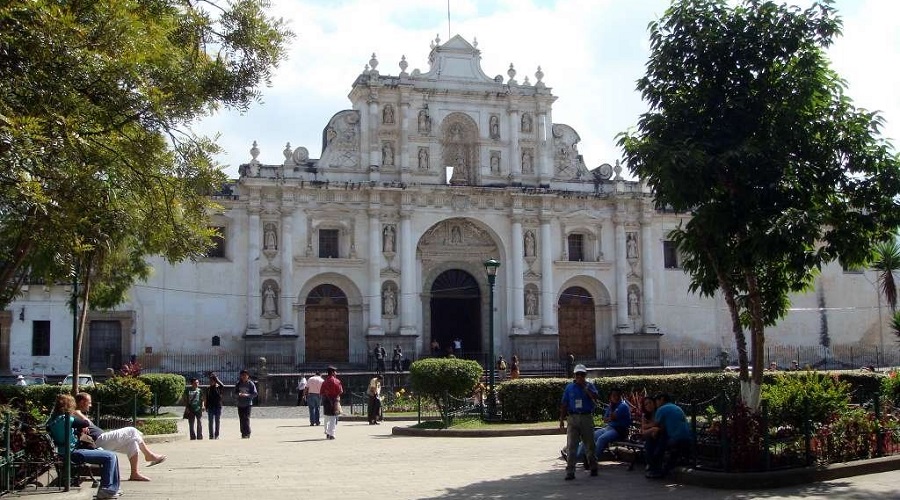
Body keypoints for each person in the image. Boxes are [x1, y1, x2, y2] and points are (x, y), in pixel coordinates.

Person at [72, 392, 166, 482]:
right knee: (131, 430)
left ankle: (134, 473)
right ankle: (149, 455)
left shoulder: (79, 414)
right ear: (81, 402)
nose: (90, 405)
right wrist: (82, 421)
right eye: (89, 402)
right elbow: (86, 422)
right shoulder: (76, 412)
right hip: (98, 440)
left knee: (132, 444)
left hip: (99, 440)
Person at [48, 394, 122, 499]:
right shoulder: (67, 418)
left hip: (63, 452)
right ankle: (106, 489)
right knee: (110, 457)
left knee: (111, 456)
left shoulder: (53, 420)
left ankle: (111, 489)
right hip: (72, 453)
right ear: (70, 405)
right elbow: (85, 423)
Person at [572, 387, 631, 465]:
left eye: (617, 395)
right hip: (609, 428)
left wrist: (610, 418)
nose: (616, 397)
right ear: (610, 397)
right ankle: (575, 456)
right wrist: (610, 418)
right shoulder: (611, 406)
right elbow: (605, 419)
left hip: (619, 431)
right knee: (590, 436)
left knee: (601, 439)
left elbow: (612, 417)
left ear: (620, 396)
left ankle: (591, 460)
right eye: (613, 396)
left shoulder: (623, 406)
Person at [559, 364, 599, 479]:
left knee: (589, 444)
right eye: (578, 374)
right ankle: (570, 471)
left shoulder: (590, 385)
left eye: (582, 374)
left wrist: (586, 390)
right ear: (574, 375)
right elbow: (564, 404)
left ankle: (593, 466)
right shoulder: (569, 387)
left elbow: (596, 397)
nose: (580, 376)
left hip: (586, 417)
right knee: (572, 445)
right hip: (573, 417)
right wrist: (562, 420)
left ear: (585, 375)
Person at [646, 393, 693, 479]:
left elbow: (656, 424)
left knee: (655, 443)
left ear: (662, 399)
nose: (656, 403)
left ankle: (655, 469)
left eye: (656, 400)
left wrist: (644, 426)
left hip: (675, 439)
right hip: (688, 439)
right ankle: (664, 469)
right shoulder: (676, 407)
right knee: (663, 440)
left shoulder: (662, 409)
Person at [320, 366, 344, 440]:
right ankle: (331, 434)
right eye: (335, 372)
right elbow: (340, 391)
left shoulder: (324, 382)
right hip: (334, 400)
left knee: (326, 417)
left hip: (326, 400)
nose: (336, 373)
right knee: (333, 418)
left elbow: (321, 392)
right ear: (333, 372)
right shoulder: (337, 381)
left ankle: (326, 432)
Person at [234, 369, 258, 439]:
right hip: (240, 404)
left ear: (248, 376)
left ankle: (247, 432)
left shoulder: (251, 384)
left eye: (245, 375)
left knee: (246, 418)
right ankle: (243, 433)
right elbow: (235, 393)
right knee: (241, 418)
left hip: (248, 404)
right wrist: (239, 394)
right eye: (242, 375)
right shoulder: (238, 384)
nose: (244, 377)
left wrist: (247, 395)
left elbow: (255, 393)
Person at [206, 373, 224, 440]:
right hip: (210, 407)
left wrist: (216, 379)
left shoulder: (219, 388)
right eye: (210, 381)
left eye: (212, 381)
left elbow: (222, 385)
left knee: (217, 421)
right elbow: (207, 399)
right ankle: (211, 435)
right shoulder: (208, 389)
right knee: (210, 422)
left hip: (217, 407)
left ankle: (216, 435)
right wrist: (206, 407)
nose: (211, 382)